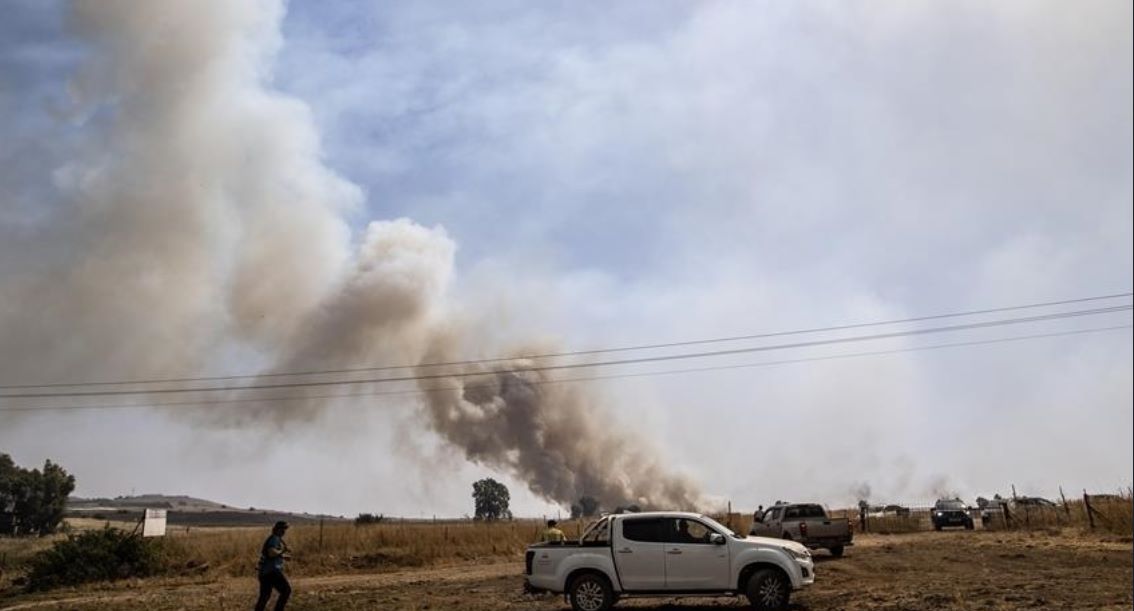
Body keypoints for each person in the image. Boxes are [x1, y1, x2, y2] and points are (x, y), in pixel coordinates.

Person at [255, 521, 292, 611]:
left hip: (264, 572)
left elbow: (270, 554)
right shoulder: (274, 539)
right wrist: (283, 551)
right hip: (272, 571)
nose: (284, 532)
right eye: (283, 529)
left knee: (265, 596)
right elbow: (271, 553)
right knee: (286, 591)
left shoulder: (274, 538)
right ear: (279, 530)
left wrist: (282, 556)